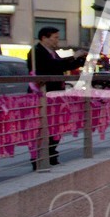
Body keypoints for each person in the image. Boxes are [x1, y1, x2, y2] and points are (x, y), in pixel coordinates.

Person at [26, 27, 86, 168]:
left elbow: (63, 66)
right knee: (42, 128)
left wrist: (81, 59)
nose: (57, 41)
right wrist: (74, 57)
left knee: (55, 127)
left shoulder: (53, 53)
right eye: (55, 37)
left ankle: (52, 155)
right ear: (44, 38)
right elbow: (52, 67)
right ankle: (40, 158)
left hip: (55, 96)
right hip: (42, 96)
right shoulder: (36, 52)